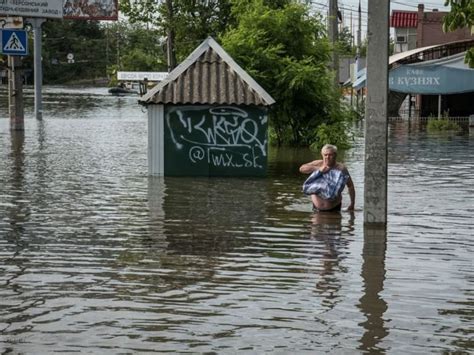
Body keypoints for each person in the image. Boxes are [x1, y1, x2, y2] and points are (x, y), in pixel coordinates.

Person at [299, 144, 355, 212]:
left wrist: (352, 203)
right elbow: (302, 169)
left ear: (335, 155)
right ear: (322, 155)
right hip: (316, 208)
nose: (327, 157)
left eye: (330, 155)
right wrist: (318, 169)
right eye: (325, 155)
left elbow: (350, 186)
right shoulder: (318, 163)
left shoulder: (341, 168)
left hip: (334, 207)